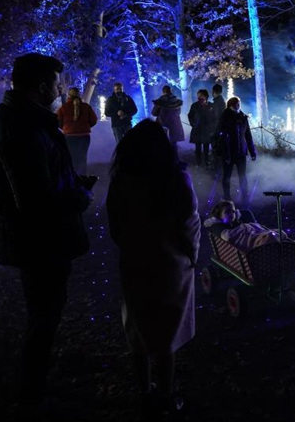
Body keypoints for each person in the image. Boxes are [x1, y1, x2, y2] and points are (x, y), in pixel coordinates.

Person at [0, 53, 94, 408]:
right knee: (44, 316)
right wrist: (79, 197)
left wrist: (72, 181)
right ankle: (31, 396)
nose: (60, 91)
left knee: (42, 314)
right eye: (57, 85)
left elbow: (38, 178)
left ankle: (34, 385)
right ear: (42, 87)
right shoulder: (22, 128)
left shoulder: (13, 119)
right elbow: (35, 201)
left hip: (30, 239)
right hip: (38, 243)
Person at [106, 119, 200, 419]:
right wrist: (192, 255)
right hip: (170, 264)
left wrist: (127, 245)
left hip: (134, 260)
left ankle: (145, 393)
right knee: (166, 331)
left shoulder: (122, 179)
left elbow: (115, 223)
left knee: (138, 327)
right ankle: (167, 396)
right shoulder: (175, 178)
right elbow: (189, 223)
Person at [215, 96, 256, 206]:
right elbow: (221, 135)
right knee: (227, 176)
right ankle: (227, 197)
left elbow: (248, 135)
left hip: (241, 152)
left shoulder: (243, 117)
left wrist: (252, 151)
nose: (238, 105)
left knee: (242, 176)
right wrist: (224, 152)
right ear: (231, 105)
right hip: (228, 152)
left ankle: (244, 196)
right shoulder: (225, 117)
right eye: (236, 104)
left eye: (239, 103)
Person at [204, 200, 290, 252]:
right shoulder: (218, 226)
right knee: (270, 237)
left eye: (233, 211)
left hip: (255, 235)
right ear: (219, 215)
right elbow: (228, 236)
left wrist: (253, 227)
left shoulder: (236, 221)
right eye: (227, 212)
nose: (231, 214)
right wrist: (244, 227)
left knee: (281, 233)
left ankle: (270, 243)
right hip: (247, 244)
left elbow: (252, 229)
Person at [56, 88, 98, 175]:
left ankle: (72, 177)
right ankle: (82, 177)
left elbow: (58, 121)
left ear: (69, 96)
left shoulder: (63, 108)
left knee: (71, 157)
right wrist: (85, 127)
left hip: (69, 136)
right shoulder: (86, 107)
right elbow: (94, 120)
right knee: (82, 157)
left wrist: (65, 128)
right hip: (84, 136)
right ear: (79, 95)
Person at [187, 88, 216, 167]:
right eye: (198, 96)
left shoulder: (211, 106)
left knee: (206, 147)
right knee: (198, 147)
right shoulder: (194, 105)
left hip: (207, 130)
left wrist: (212, 128)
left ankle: (206, 161)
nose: (199, 97)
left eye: (201, 96)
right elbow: (190, 115)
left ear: (205, 96)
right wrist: (193, 123)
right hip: (197, 129)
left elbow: (214, 118)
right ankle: (198, 162)